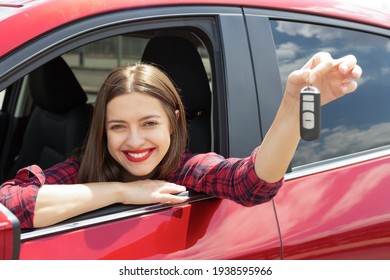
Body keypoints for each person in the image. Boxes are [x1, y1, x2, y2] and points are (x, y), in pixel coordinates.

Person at [0, 52, 362, 229]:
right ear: (103, 130)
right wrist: (121, 191)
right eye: (118, 127)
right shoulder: (87, 167)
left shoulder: (185, 168)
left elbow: (253, 184)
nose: (134, 140)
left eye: (149, 123)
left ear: (173, 123)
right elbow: (11, 205)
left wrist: (292, 107)